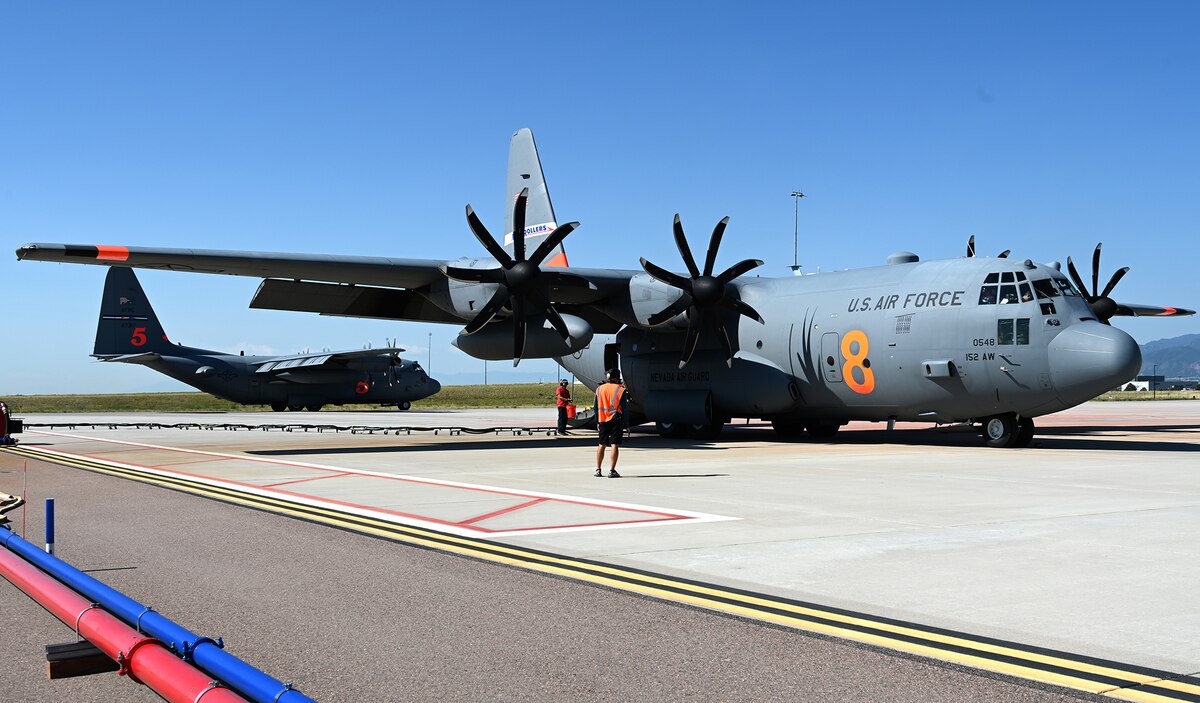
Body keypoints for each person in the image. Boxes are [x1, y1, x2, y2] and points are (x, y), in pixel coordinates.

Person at [594, 369, 627, 478]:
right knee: (614, 445)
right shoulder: (620, 390)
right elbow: (625, 409)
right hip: (615, 420)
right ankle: (612, 470)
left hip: (602, 420)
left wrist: (597, 421)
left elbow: (595, 407)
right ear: (616, 377)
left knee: (601, 444)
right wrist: (626, 424)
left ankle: (598, 470)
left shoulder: (599, 389)